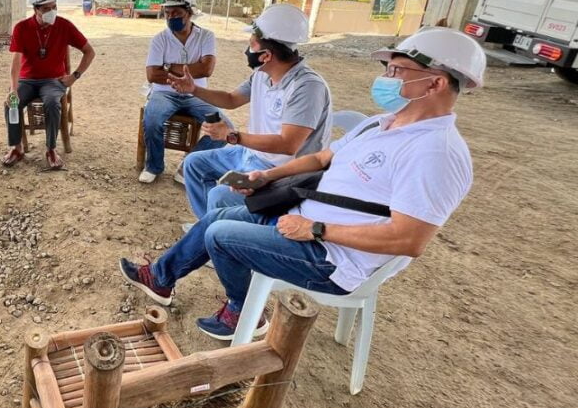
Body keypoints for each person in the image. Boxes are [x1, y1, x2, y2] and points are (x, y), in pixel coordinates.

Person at [120, 27, 484, 339]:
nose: (388, 77)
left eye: (400, 69)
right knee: (217, 215)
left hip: (332, 258)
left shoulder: (436, 152)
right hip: (302, 217)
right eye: (389, 68)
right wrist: (265, 175)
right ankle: (161, 278)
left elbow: (409, 239)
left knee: (220, 235)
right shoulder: (383, 122)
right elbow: (325, 157)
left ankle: (243, 309)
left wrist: (316, 229)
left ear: (435, 82)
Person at [171, 4, 332, 218]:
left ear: (266, 55)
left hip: (281, 171)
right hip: (251, 154)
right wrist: (194, 89)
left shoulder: (307, 87)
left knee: (220, 195)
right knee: (194, 164)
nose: (247, 50)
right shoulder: (262, 74)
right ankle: (207, 226)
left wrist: (231, 136)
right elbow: (231, 99)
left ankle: (212, 230)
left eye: (251, 45)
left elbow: (288, 144)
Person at [139, 0, 228, 184]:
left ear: (190, 13)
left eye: (177, 13)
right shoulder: (159, 39)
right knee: (152, 120)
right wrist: (188, 70)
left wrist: (168, 67)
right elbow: (152, 74)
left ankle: (188, 165)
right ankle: (154, 166)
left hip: (197, 94)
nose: (171, 18)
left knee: (226, 128)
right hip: (164, 93)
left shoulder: (206, 36)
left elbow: (206, 69)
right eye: (167, 13)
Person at [2, 0, 96, 169]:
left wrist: (74, 76)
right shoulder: (22, 28)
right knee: (11, 104)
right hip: (27, 80)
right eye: (46, 9)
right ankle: (17, 147)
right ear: (36, 9)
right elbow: (16, 62)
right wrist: (13, 89)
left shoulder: (65, 25)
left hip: (53, 80)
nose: (52, 12)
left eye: (54, 7)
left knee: (52, 103)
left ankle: (51, 149)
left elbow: (89, 51)